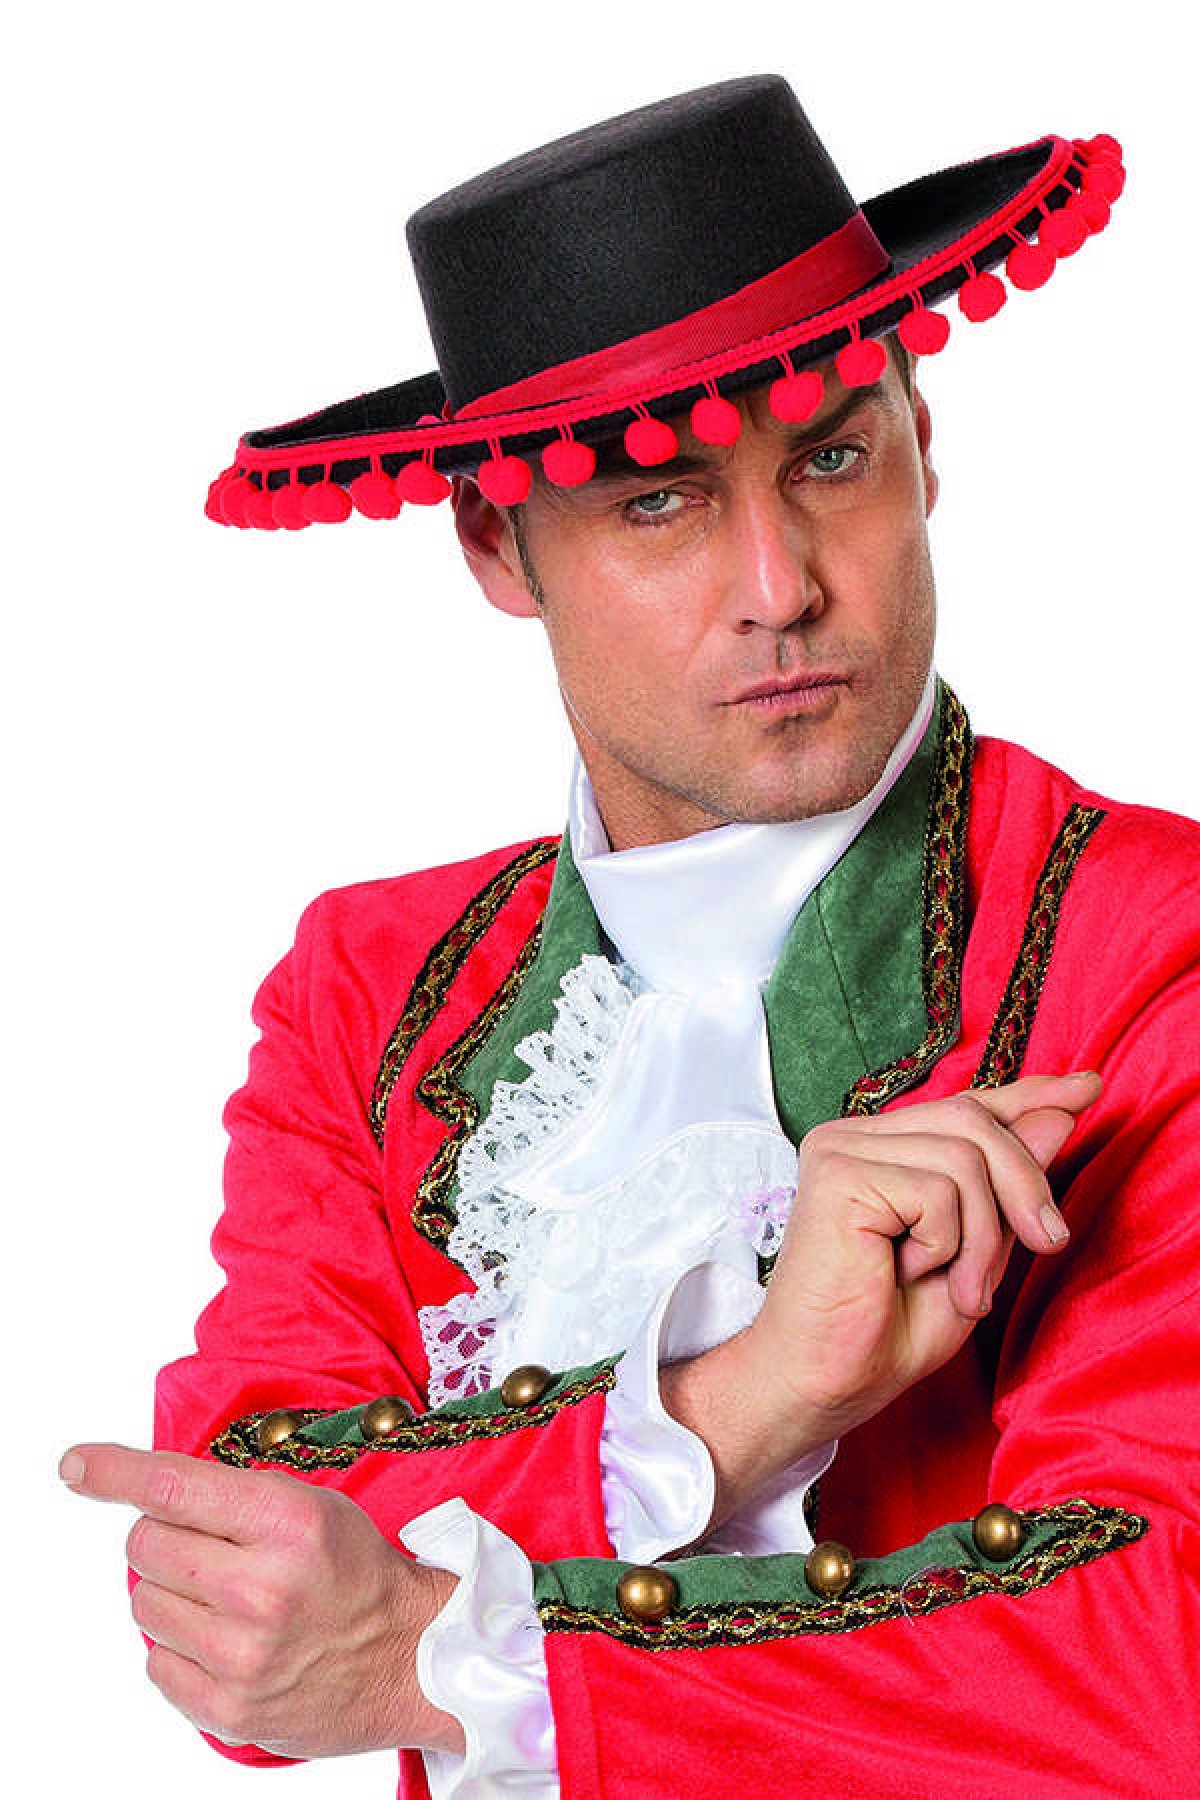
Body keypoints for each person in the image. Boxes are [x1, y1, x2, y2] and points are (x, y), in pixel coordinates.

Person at [60, 75, 1200, 1797]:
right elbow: (243, 1621)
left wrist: (445, 1659)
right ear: (498, 547)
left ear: (923, 443)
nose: (781, 586)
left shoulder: (1150, 947)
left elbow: (1155, 1659)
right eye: (656, 500)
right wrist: (740, 1405)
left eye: (831, 458)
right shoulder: (366, 991)